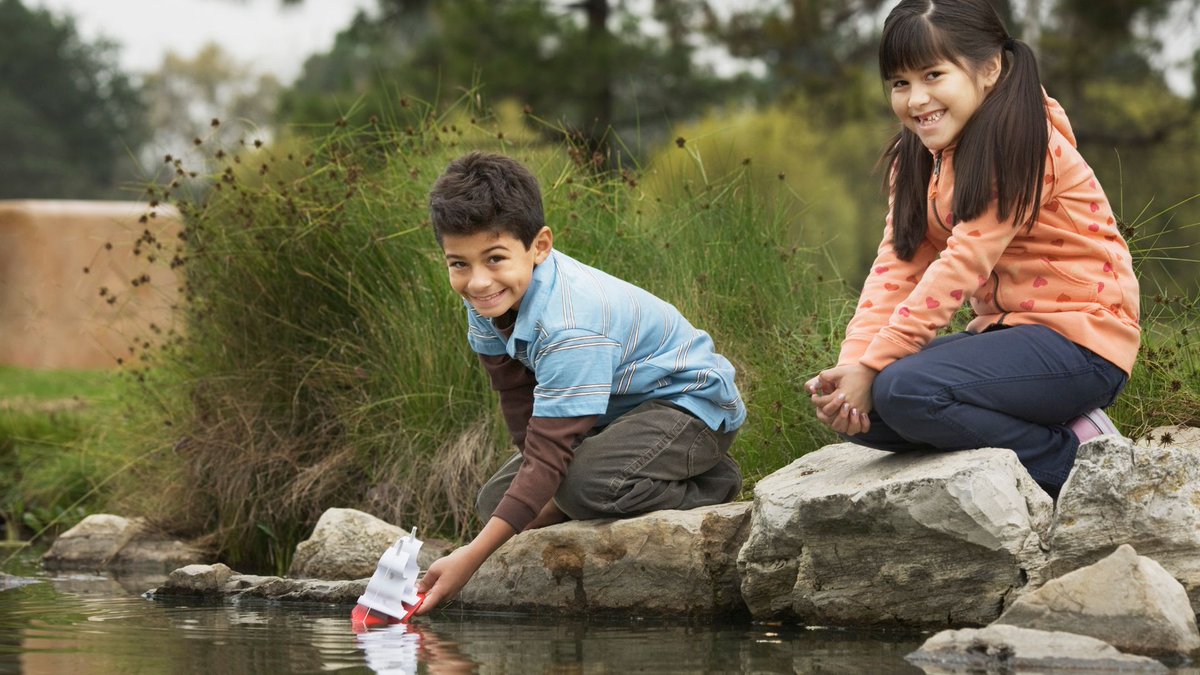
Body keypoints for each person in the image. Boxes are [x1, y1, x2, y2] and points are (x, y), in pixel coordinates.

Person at [806, 0, 1140, 499]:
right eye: (900, 83)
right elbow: (898, 265)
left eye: (934, 75)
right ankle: (1046, 429)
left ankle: (1075, 461)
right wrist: (856, 364)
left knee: (902, 389)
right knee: (861, 412)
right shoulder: (918, 157)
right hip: (1004, 338)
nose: (916, 99)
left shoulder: (1023, 145)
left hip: (1082, 345)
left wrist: (876, 369)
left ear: (990, 68)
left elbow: (961, 266)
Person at [415, 151, 746, 613]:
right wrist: (532, 498)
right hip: (614, 419)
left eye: (494, 258)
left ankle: (713, 481)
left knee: (581, 487)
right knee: (497, 503)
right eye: (459, 264)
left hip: (690, 410)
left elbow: (551, 454)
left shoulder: (569, 325)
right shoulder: (485, 302)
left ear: (540, 245)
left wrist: (471, 558)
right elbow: (518, 402)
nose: (477, 282)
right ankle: (613, 476)